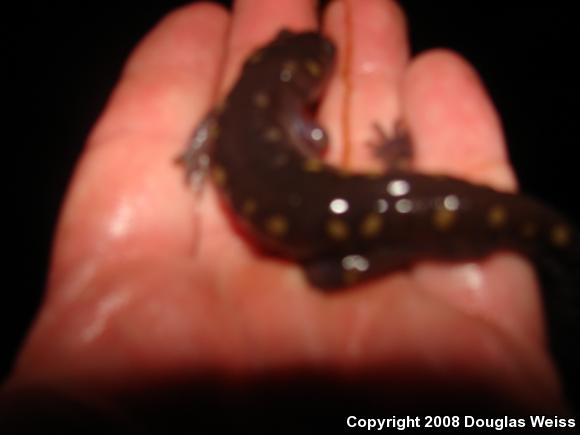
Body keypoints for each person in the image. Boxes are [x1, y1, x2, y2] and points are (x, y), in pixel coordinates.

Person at [1, 0, 568, 431]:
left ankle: (528, 234)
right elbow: (314, 139)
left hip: (327, 211)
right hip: (324, 222)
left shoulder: (232, 111)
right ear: (291, 85)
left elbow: (226, 131)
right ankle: (535, 235)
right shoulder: (278, 122)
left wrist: (202, 154)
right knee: (369, 230)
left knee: (390, 213)